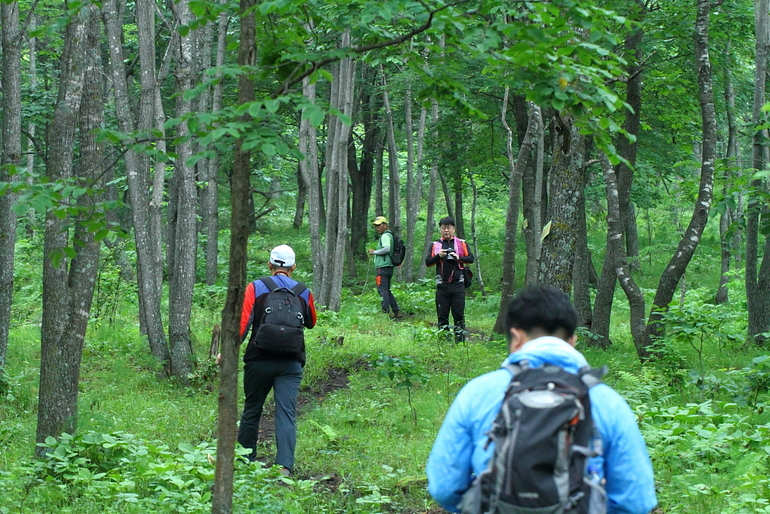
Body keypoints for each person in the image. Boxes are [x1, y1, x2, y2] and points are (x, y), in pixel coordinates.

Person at [426, 285, 657, 514]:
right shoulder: (606, 401)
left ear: (515, 337)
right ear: (573, 340)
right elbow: (636, 500)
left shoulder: (478, 393)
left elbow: (445, 487)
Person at [237, 244, 317, 476]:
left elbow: (243, 323)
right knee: (286, 412)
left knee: (252, 409)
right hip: (291, 363)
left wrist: (228, 350)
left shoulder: (255, 287)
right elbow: (311, 321)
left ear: (269, 264)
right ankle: (283, 466)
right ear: (293, 266)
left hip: (258, 359)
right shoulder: (304, 291)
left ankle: (245, 461)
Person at [425, 216, 474, 342]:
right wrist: (438, 256)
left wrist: (458, 258)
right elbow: (428, 262)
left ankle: (460, 341)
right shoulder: (435, 244)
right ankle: (444, 341)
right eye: (443, 228)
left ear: (454, 229)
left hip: (458, 285)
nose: (446, 231)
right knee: (442, 315)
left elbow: (471, 259)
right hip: (442, 286)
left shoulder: (461, 243)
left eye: (449, 228)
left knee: (458, 314)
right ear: (440, 229)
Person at [368, 216, 402, 319]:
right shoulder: (389, 235)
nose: (377, 228)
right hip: (388, 267)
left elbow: (387, 249)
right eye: (376, 226)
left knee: (382, 290)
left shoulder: (385, 236)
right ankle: (396, 311)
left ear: (385, 225)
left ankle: (385, 313)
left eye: (379, 225)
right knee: (386, 290)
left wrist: (374, 252)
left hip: (382, 267)